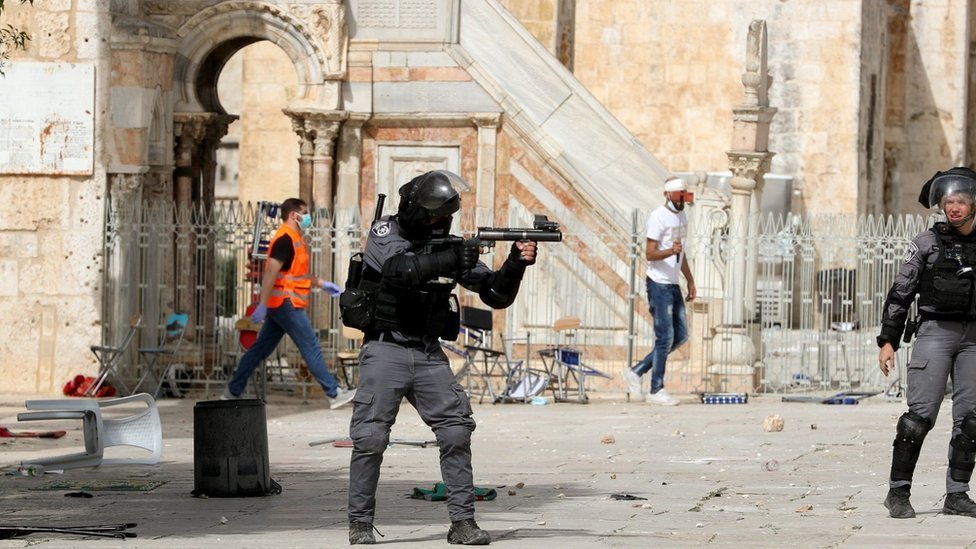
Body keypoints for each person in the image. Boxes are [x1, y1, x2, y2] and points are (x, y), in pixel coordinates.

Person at [343, 170, 538, 545]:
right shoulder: (386, 231)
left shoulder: (449, 246)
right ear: (415, 210)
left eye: (443, 216)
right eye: (432, 216)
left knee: (456, 431)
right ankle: (360, 523)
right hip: (385, 348)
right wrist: (453, 256)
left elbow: (495, 295)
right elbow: (400, 270)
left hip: (428, 352)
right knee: (370, 437)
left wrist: (515, 263)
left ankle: (462, 523)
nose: (438, 222)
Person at [878, 166, 976, 519]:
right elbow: (900, 292)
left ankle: (957, 494)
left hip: (973, 339)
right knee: (918, 419)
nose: (954, 208)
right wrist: (888, 340)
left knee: (971, 421)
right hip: (936, 332)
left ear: (973, 204)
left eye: (961, 201)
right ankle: (898, 492)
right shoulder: (927, 243)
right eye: (949, 202)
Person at [222, 198, 356, 410]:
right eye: (305, 212)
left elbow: (297, 274)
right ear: (294, 215)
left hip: (283, 303)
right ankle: (334, 393)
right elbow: (270, 271)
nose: (308, 217)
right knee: (311, 346)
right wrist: (262, 304)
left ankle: (232, 391)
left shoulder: (294, 239)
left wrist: (322, 284)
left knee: (259, 350)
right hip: (286, 303)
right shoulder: (284, 239)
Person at [620, 176, 696, 406]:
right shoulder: (658, 217)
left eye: (684, 194)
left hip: (672, 283)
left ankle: (637, 371)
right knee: (665, 337)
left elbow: (680, 253)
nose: (682, 199)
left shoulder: (682, 217)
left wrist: (690, 280)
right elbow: (650, 253)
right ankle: (656, 388)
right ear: (667, 194)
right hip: (658, 283)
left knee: (680, 336)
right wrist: (670, 251)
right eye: (679, 194)